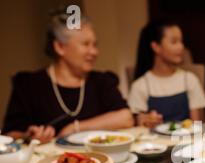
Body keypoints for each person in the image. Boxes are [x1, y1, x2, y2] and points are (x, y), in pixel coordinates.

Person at [2, 11, 134, 144]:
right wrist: (28, 136)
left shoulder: (101, 81)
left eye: (95, 44)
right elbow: (11, 133)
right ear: (59, 47)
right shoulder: (29, 84)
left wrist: (74, 128)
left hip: (100, 161)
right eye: (86, 44)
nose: (94, 52)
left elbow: (126, 117)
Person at [128, 19, 205, 128]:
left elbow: (197, 125)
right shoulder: (141, 86)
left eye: (181, 41)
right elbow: (137, 129)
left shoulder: (189, 80)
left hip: (186, 142)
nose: (181, 47)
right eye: (174, 42)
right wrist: (145, 120)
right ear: (156, 46)